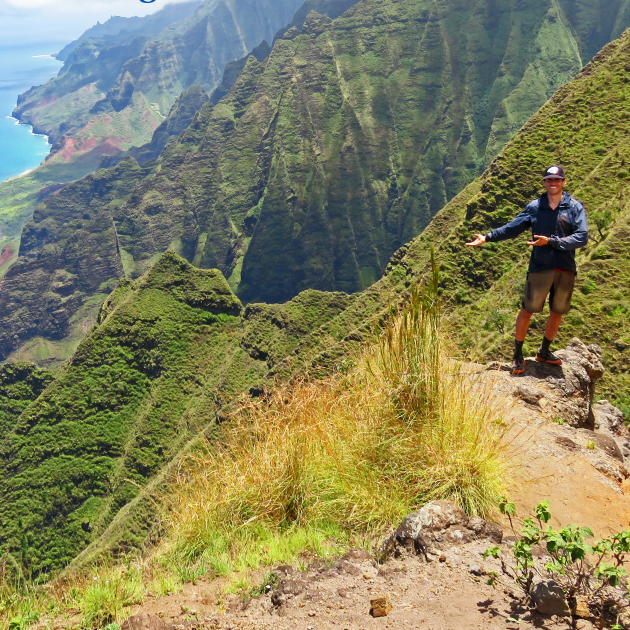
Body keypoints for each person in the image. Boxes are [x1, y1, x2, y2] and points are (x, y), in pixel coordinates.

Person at [465, 165, 588, 374]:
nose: (553, 183)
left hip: (565, 268)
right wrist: (487, 237)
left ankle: (544, 352)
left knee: (557, 312)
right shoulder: (535, 207)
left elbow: (581, 237)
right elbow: (513, 228)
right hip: (540, 267)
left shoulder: (574, 208)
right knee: (528, 309)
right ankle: (518, 355)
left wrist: (551, 241)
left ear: (564, 182)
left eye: (557, 180)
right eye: (549, 180)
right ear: (544, 183)